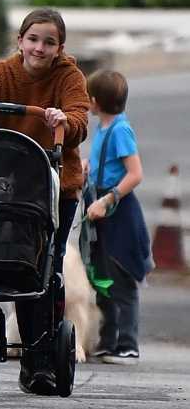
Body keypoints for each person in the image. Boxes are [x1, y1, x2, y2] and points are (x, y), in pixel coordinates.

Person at [0, 7, 90, 395]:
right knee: (18, 265)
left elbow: (79, 120)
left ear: (60, 48)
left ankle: (41, 358)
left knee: (47, 270)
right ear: (20, 41)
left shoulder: (69, 77)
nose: (39, 48)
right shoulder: (0, 74)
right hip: (9, 190)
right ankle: (30, 353)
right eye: (33, 39)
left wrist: (62, 119)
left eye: (49, 42)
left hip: (55, 189)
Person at [85, 69, 153, 365]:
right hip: (101, 211)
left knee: (122, 279)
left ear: (95, 101)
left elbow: (135, 173)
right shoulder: (104, 128)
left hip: (120, 213)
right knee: (102, 279)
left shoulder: (120, 130)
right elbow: (108, 164)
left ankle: (128, 344)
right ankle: (108, 339)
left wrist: (109, 198)